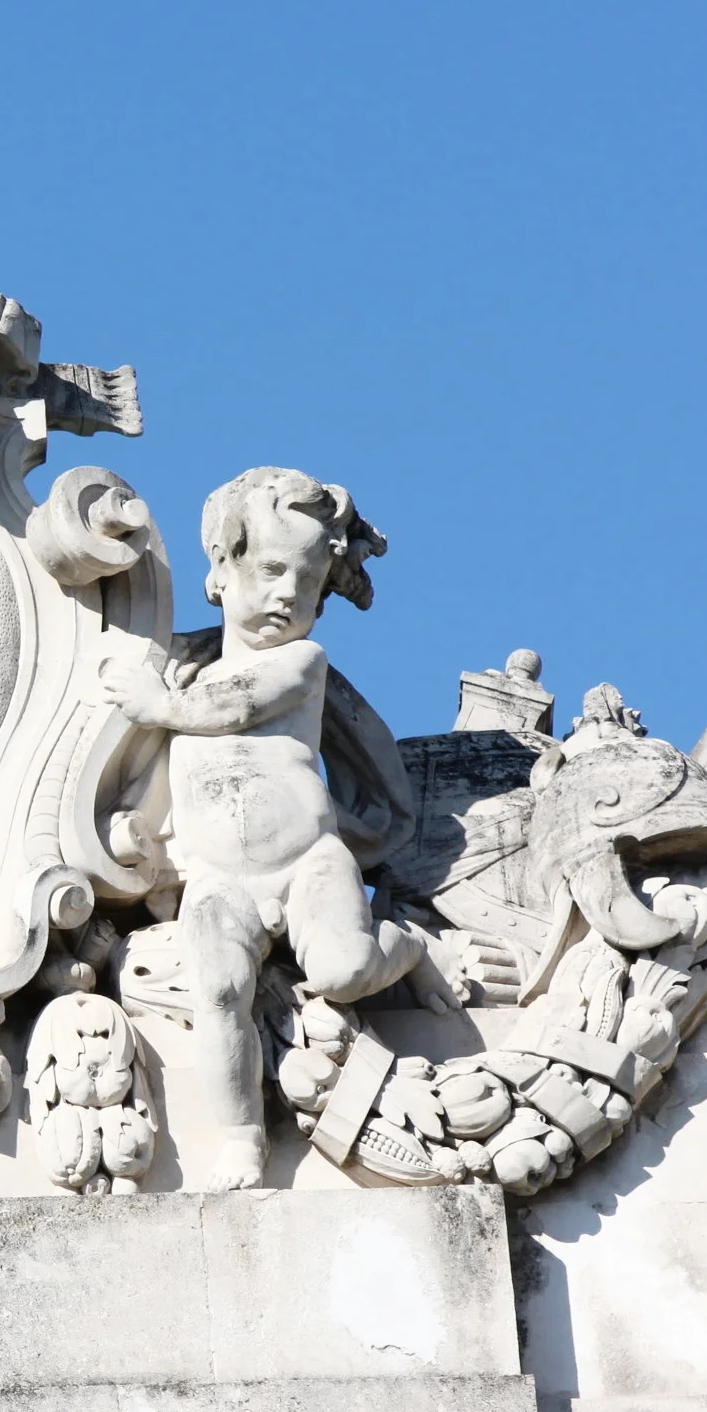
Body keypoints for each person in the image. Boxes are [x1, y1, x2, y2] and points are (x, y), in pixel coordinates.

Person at [102, 467, 424, 1189]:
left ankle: (407, 946)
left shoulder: (299, 663)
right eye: (272, 569)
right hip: (220, 879)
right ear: (222, 569)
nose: (287, 592)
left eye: (307, 583)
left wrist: (155, 703)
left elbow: (239, 704)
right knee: (217, 992)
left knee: (343, 968)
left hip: (307, 862)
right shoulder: (183, 673)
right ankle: (242, 1135)